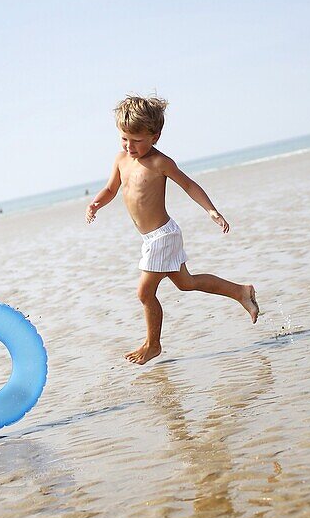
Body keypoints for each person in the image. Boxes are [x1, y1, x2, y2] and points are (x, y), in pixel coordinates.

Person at [86, 94, 260, 365]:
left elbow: (189, 185)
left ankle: (153, 344)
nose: (129, 146)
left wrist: (211, 210)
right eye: (124, 139)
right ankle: (241, 292)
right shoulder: (121, 160)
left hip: (163, 236)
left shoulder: (160, 162)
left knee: (144, 293)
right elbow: (111, 189)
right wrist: (96, 203)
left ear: (154, 136)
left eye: (137, 140)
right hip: (151, 238)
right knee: (186, 283)